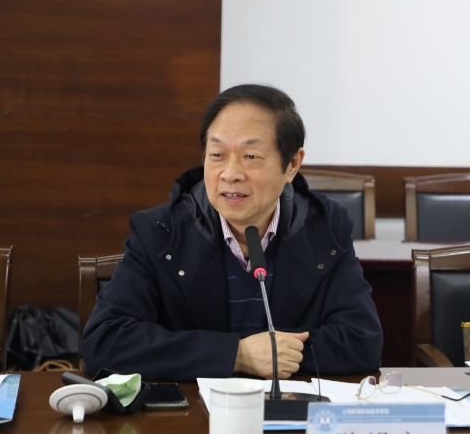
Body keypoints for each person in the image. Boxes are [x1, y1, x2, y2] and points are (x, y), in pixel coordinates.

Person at [81, 84, 383, 381]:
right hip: (191, 409)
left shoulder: (325, 226)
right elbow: (104, 341)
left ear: (292, 164)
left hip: (287, 407)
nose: (231, 174)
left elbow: (362, 341)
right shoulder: (160, 231)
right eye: (217, 155)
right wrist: (238, 354)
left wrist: (276, 355)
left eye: (251, 156)